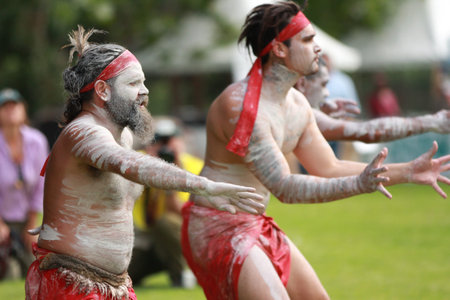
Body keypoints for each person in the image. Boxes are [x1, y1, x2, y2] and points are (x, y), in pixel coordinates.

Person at [181, 2, 450, 299]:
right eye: (308, 40)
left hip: (254, 222)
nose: (318, 48)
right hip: (216, 226)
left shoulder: (296, 105)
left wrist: (408, 171)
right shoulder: (243, 107)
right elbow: (285, 187)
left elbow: (329, 167)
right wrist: (358, 185)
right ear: (280, 49)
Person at [25, 26, 264, 300]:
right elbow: (133, 165)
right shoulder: (84, 132)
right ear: (102, 90)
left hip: (115, 286)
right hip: (70, 285)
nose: (144, 91)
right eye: (133, 83)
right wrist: (205, 186)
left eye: (144, 82)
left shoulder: (123, 135)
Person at [296, 57, 450, 143]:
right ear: (302, 83)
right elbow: (366, 131)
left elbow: (330, 167)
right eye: (308, 40)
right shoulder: (293, 108)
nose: (327, 93)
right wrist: (432, 122)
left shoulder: (297, 111)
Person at [128, 117, 201, 288]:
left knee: (165, 222)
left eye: (169, 140)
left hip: (181, 237)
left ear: (180, 141)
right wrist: (146, 167)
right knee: (126, 273)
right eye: (158, 141)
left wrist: (172, 177)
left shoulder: (195, 167)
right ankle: (176, 268)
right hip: (145, 239)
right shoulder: (138, 161)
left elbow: (185, 214)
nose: (164, 147)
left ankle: (184, 273)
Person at [0, 88, 49, 279]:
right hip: (3, 220)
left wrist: (32, 223)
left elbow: (41, 183)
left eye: (15, 105)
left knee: (39, 267)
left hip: (29, 218)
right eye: (5, 106)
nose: (11, 110)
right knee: (9, 272)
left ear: (24, 109)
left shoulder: (36, 141)